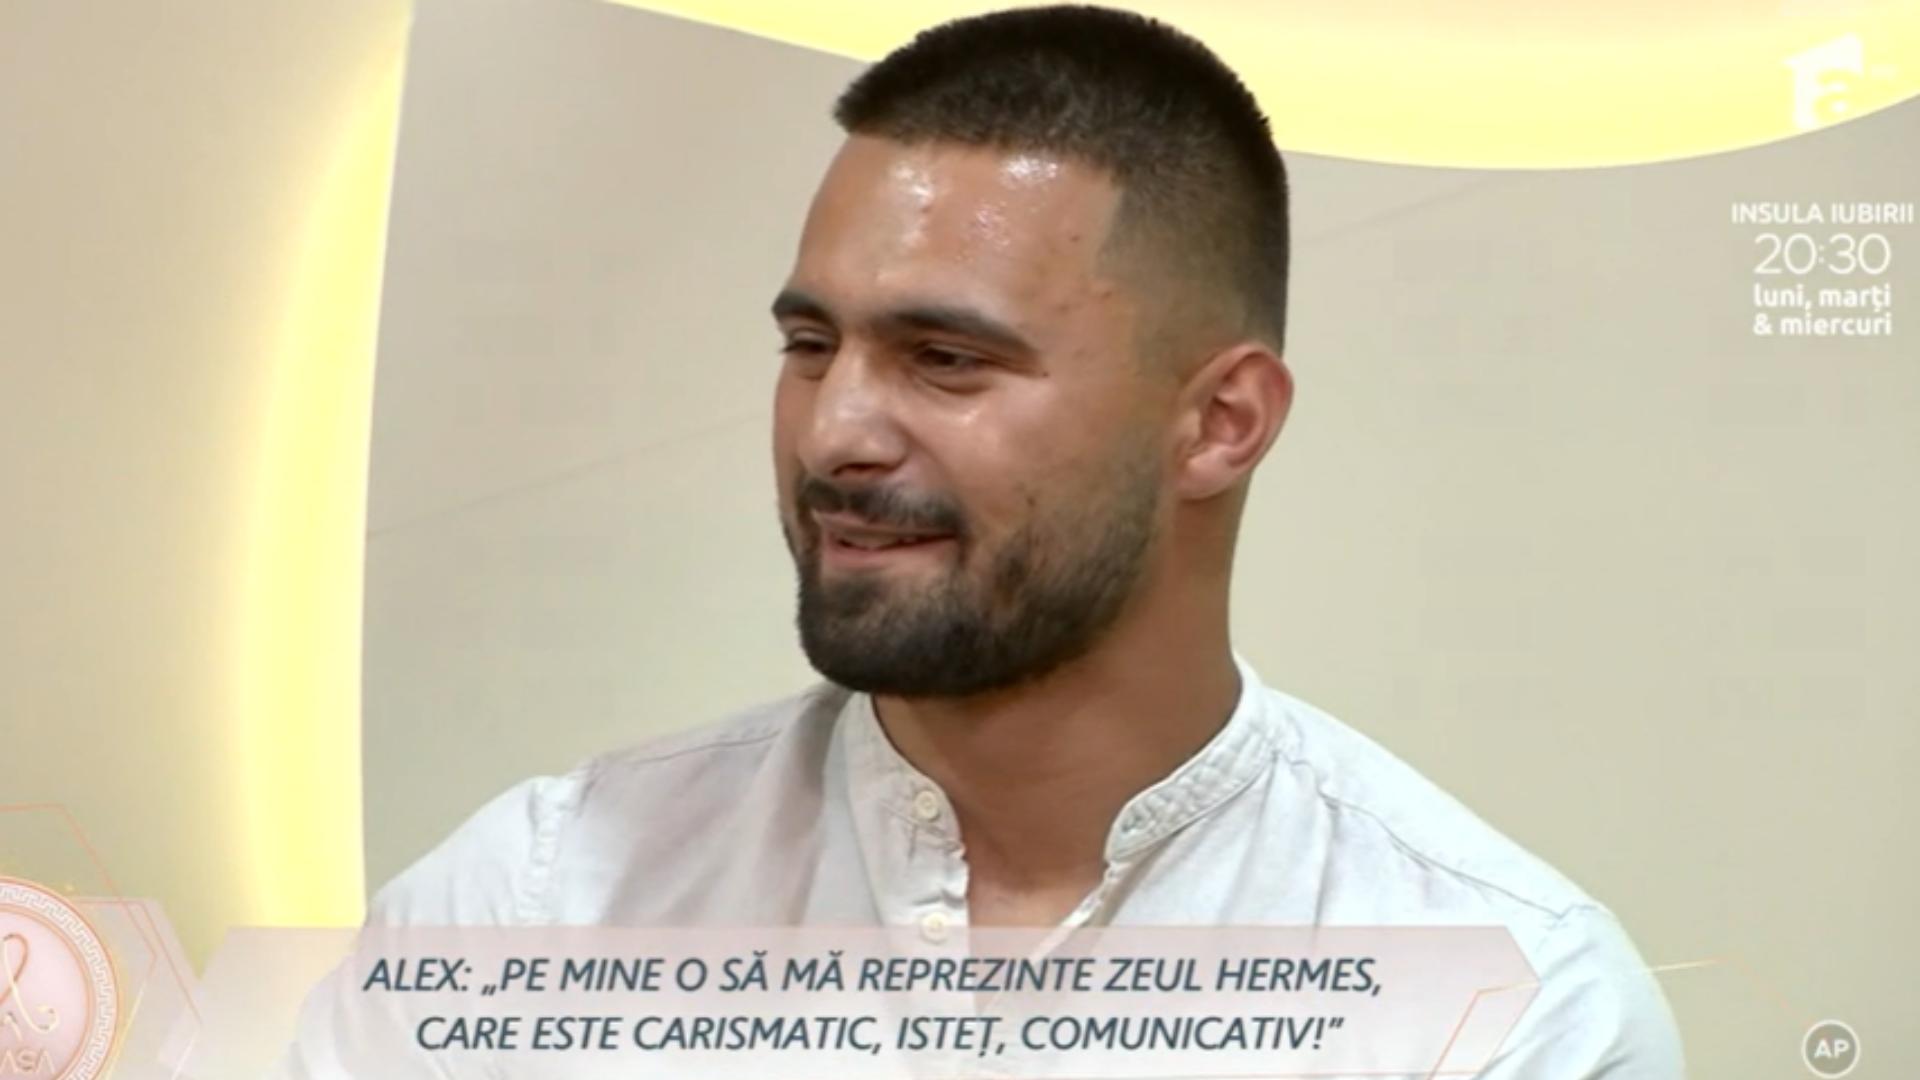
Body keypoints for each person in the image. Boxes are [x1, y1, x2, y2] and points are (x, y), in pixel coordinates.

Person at [335, 5, 1683, 1076]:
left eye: (945, 357)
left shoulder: (1501, 1013)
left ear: (1220, 423)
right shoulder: (530, 909)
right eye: (810, 346)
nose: (833, 433)